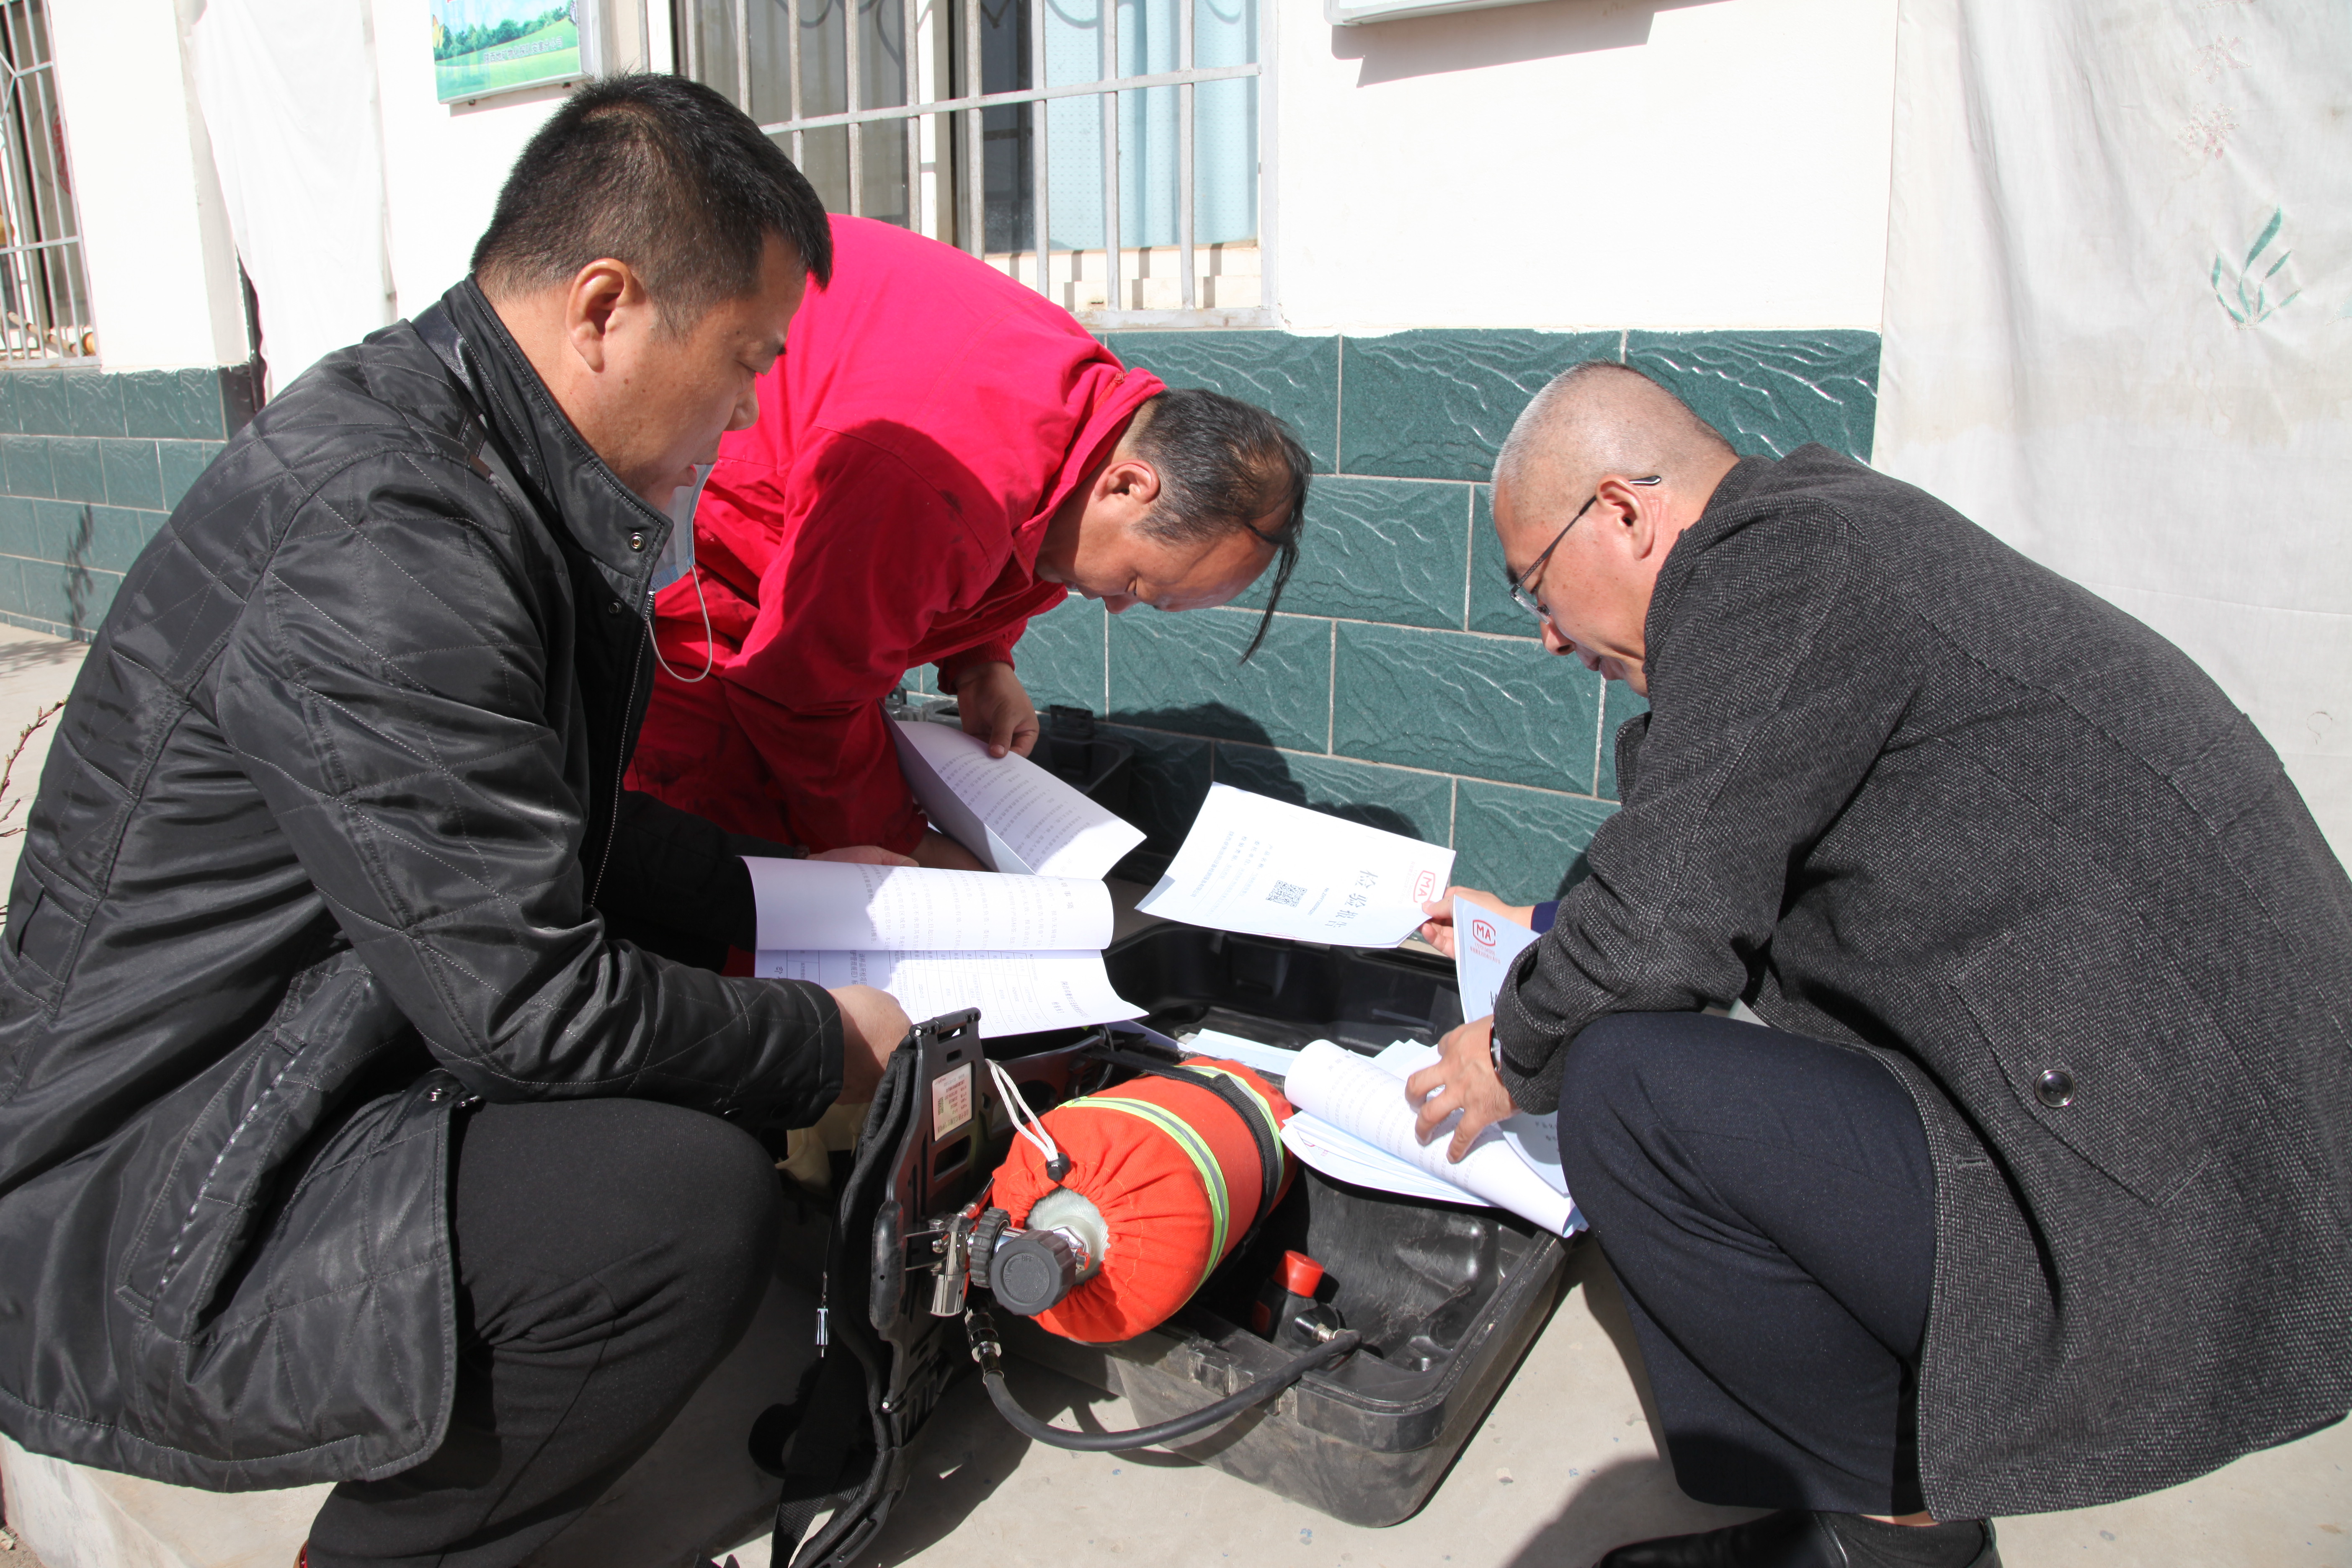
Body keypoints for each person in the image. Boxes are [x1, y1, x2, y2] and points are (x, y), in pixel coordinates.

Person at [0, 76, 917, 1568]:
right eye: (746, 360)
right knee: (676, 1212)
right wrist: (830, 1041)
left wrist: (778, 892)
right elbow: (528, 1010)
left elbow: (529, 826)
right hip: (150, 1187)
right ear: (606, 309)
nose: (749, 412)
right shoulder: (389, 535)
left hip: (295, 1052)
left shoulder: (457, 447)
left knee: (696, 1053)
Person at [1412, 363, 2351, 1568]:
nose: (1545, 634)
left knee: (1625, 1087)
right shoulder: (1829, 543)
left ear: (1625, 512)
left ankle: (1897, 1541)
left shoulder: (1786, 566)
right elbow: (1725, 835)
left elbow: (1665, 921)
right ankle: (1849, 1507)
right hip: (2170, 1118)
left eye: (1533, 585)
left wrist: (1508, 1050)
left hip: (2188, 1193)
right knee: (1646, 1060)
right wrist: (1543, 923)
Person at [623, 214, 1312, 869]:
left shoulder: (1088, 406)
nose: (1116, 606)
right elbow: (801, 688)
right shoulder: (939, 473)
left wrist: (983, 662)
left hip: (786, 525)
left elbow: (1019, 533)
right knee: (718, 838)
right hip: (682, 520)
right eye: (1136, 584)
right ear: (1129, 486)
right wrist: (906, 846)